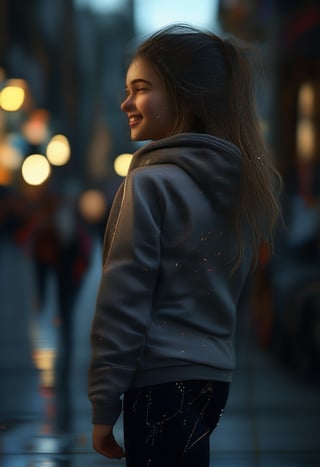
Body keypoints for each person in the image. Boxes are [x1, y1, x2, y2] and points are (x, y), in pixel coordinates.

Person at [88, 23, 281, 466]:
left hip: (156, 380)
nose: (126, 103)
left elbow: (123, 299)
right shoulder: (240, 186)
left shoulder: (150, 184)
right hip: (213, 379)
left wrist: (104, 403)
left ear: (184, 95)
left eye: (140, 89)